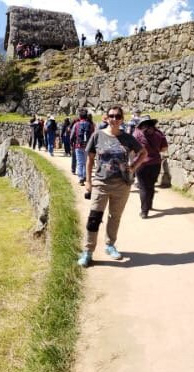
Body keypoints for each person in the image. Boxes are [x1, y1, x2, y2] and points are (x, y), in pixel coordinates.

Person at [78, 105, 147, 267]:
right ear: (107, 117)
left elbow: (143, 153)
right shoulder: (97, 136)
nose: (114, 119)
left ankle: (110, 245)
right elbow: (89, 160)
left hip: (122, 185)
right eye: (111, 116)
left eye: (118, 116)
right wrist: (88, 181)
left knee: (114, 217)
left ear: (122, 119)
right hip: (101, 183)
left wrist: (133, 167)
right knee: (94, 218)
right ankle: (88, 251)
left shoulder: (128, 138)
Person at [132, 116, 168, 218]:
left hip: (141, 163)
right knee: (151, 185)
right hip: (155, 163)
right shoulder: (159, 133)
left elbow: (132, 148)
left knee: (143, 187)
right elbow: (164, 148)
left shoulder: (137, 133)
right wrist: (155, 152)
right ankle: (149, 205)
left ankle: (144, 211)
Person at [73, 109, 95, 184]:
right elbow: (93, 135)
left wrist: (72, 144)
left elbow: (72, 136)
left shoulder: (76, 124)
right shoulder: (91, 125)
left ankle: (81, 178)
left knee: (80, 162)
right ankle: (85, 176)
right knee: (86, 162)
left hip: (78, 145)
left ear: (79, 116)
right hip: (88, 146)